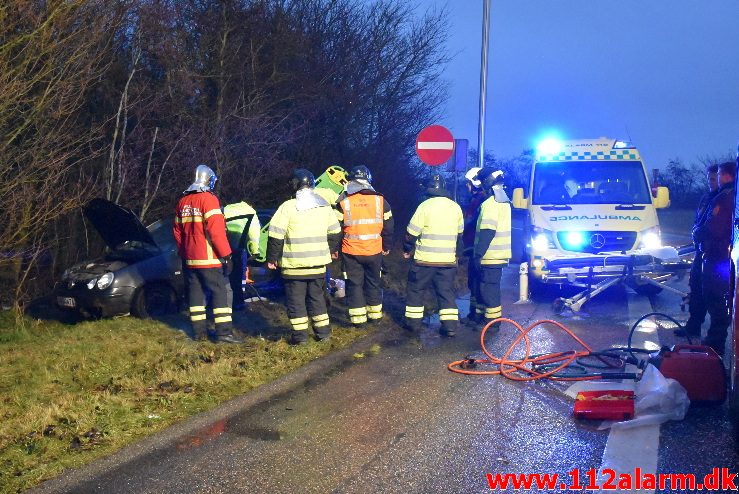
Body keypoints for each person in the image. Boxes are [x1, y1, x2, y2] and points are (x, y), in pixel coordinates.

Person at [267, 169, 342, 345]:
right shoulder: (324, 206)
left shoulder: (287, 207)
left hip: (294, 267)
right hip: (317, 266)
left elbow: (275, 234)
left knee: (296, 302)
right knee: (317, 299)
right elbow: (335, 231)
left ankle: (300, 338)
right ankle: (323, 334)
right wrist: (327, 249)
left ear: (295, 185)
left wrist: (272, 258)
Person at [173, 164, 242, 343]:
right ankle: (224, 334)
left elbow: (177, 233)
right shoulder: (208, 199)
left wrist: (185, 253)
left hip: (190, 260)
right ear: (209, 180)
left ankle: (199, 334)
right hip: (209, 259)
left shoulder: (182, 201)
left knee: (195, 296)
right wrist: (227, 255)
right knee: (220, 292)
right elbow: (216, 231)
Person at [403, 174, 464, 337]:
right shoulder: (455, 207)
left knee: (416, 290)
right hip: (447, 262)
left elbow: (412, 232)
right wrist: (458, 255)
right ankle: (450, 326)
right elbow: (460, 236)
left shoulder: (424, 206)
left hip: (424, 260)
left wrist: (407, 249)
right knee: (446, 292)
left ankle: (413, 325)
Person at [336, 165, 394, 326]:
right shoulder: (381, 200)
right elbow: (389, 226)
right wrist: (386, 246)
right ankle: (375, 317)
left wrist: (334, 249)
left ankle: (358, 320)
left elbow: (335, 229)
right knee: (374, 282)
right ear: (369, 180)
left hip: (350, 251)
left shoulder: (344, 201)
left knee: (354, 284)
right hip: (374, 250)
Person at [692, 161, 736, 356]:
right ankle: (714, 339)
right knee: (714, 297)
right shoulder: (724, 196)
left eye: (718, 174)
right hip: (721, 255)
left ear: (726, 175)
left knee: (716, 300)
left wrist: (698, 233)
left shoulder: (724, 198)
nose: (716, 179)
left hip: (718, 256)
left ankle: (715, 342)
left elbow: (713, 227)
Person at [676, 164, 719, 339]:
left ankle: (715, 337)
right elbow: (699, 221)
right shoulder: (706, 198)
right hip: (701, 252)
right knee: (696, 288)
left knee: (713, 294)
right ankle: (693, 325)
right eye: (709, 179)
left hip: (715, 254)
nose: (711, 182)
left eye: (714, 179)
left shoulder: (724, 200)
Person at [472, 168, 512, 330]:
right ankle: (485, 319)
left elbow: (488, 230)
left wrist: (478, 254)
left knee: (489, 289)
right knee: (488, 287)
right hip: (497, 255)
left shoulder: (490, 204)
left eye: (482, 183)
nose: (480, 187)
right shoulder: (503, 202)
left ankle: (492, 324)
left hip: (490, 254)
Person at [223, 200, 262, 310]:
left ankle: (226, 301)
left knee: (227, 276)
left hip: (225, 249)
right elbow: (254, 233)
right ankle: (239, 302)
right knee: (240, 275)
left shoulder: (225, 209)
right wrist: (255, 251)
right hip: (239, 249)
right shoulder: (250, 210)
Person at [461, 167, 485, 324]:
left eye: (468, 183)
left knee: (477, 283)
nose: (466, 186)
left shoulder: (479, 201)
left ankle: (477, 316)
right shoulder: (477, 200)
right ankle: (474, 314)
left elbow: (468, 222)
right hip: (473, 247)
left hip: (477, 248)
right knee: (473, 282)